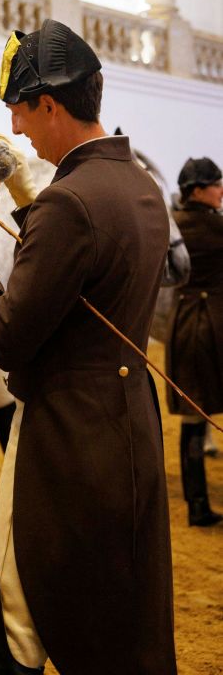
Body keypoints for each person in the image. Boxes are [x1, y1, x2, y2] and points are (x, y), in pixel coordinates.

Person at [0, 19, 176, 675]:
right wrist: (26, 204)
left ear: (48, 103)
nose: (15, 130)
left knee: (20, 604)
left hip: (66, 431)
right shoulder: (139, 187)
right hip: (127, 423)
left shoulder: (69, 203)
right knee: (123, 606)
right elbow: (79, 266)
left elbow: (9, 337)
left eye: (18, 111)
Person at [166, 156, 223, 527]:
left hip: (181, 327)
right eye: (217, 184)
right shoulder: (218, 228)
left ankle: (197, 505)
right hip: (214, 331)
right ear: (199, 190)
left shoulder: (172, 225)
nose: (221, 191)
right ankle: (200, 507)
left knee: (193, 419)